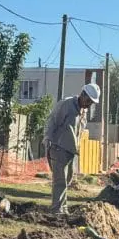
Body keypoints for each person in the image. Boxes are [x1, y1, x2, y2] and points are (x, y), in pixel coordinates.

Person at [43, 83, 100, 214]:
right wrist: (47, 138)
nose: (89, 104)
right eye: (88, 100)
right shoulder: (66, 105)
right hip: (58, 148)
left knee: (67, 180)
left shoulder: (83, 111)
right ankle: (56, 210)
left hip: (71, 151)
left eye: (92, 102)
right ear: (83, 94)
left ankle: (63, 208)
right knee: (60, 181)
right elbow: (52, 121)